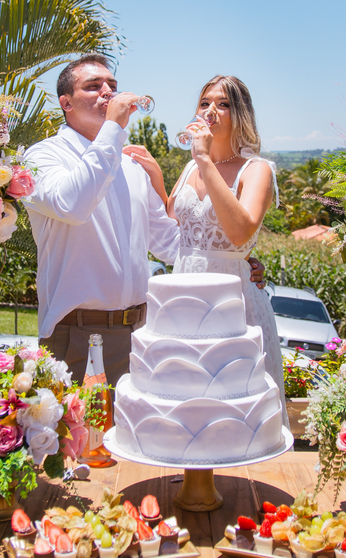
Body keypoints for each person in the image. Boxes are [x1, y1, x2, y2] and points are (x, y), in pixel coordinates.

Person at [22, 54, 264, 382]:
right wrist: (112, 128)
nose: (107, 92)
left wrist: (237, 261)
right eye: (93, 86)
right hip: (75, 332)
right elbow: (72, 205)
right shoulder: (42, 156)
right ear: (66, 103)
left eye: (112, 85)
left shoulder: (130, 165)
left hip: (140, 332)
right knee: (71, 418)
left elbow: (170, 243)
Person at [124, 75, 289, 425]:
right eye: (205, 102)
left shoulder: (257, 169)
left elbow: (240, 233)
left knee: (233, 410)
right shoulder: (190, 167)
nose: (211, 110)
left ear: (241, 113)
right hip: (183, 294)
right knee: (184, 400)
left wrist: (204, 159)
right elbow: (177, 216)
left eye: (223, 104)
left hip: (233, 302)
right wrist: (157, 176)